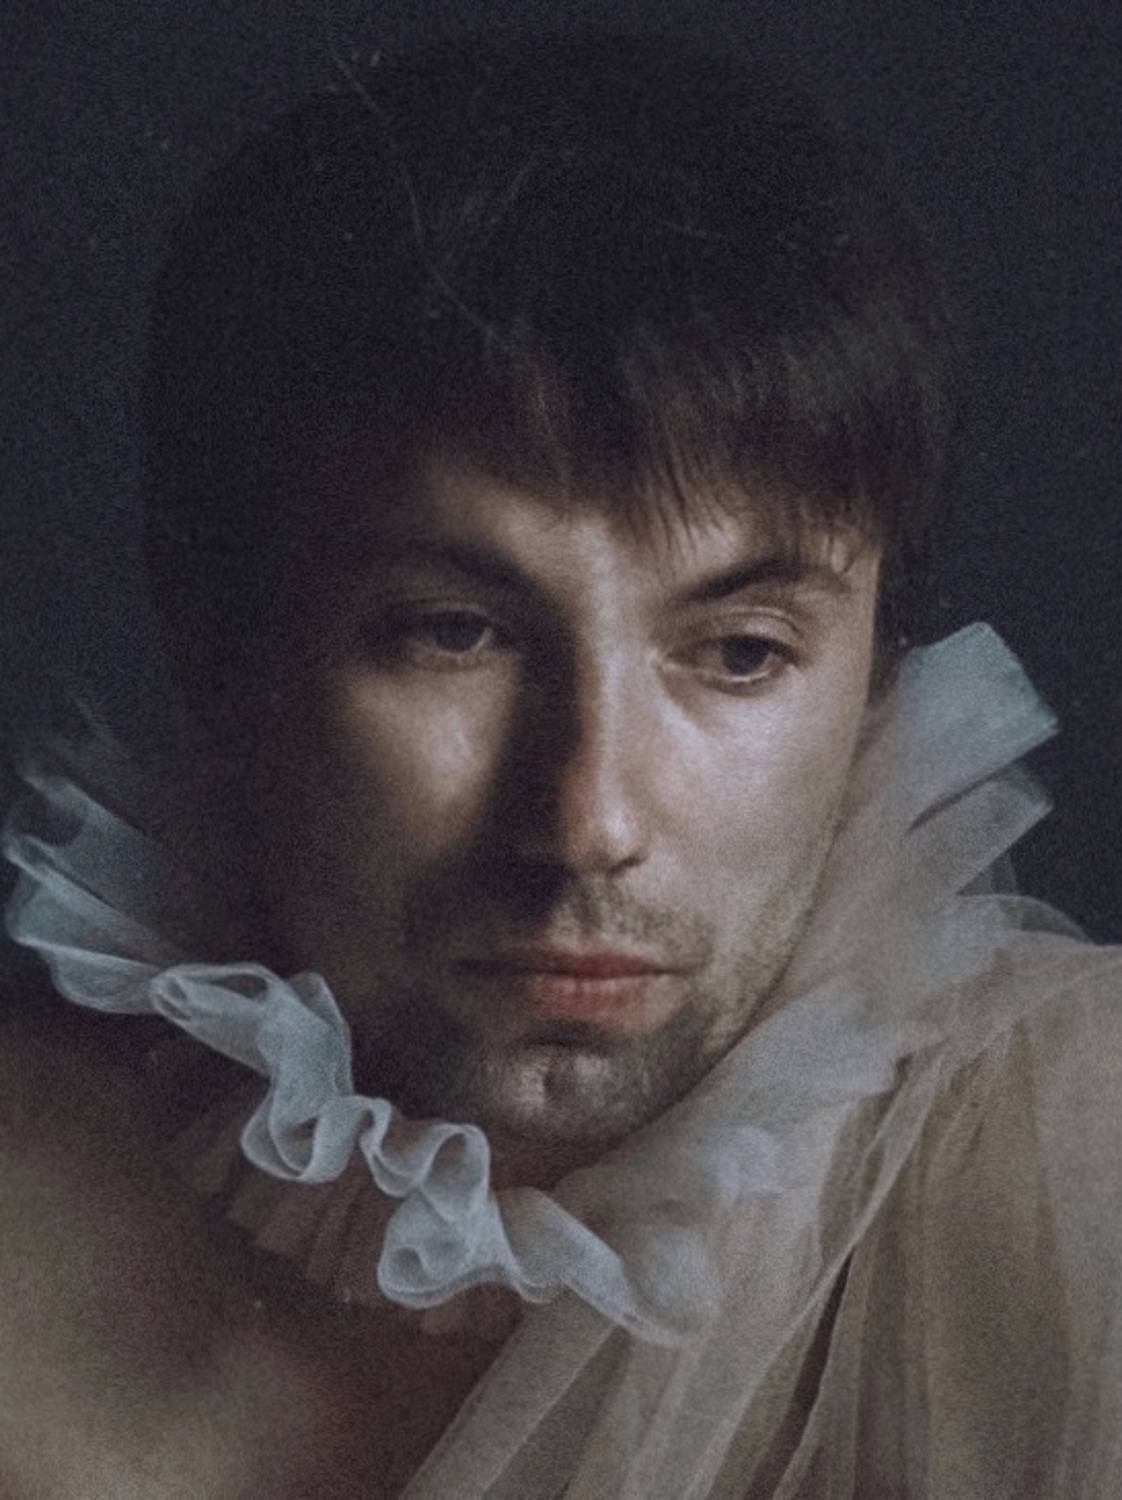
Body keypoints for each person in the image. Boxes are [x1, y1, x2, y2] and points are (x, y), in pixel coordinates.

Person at [2, 28, 1121, 1498]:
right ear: (220, 640)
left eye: (739, 653)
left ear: (873, 671)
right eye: (453, 632)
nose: (590, 820)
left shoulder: (1073, 1151)